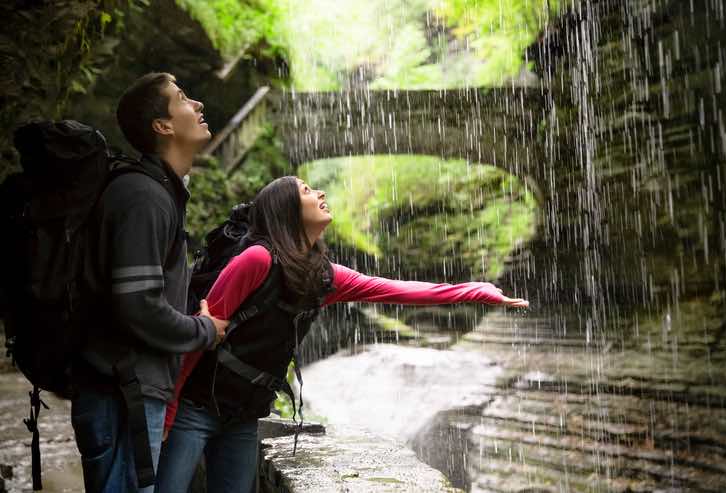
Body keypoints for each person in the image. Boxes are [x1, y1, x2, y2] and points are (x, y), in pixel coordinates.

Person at [155, 175, 528, 492]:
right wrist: (169, 414)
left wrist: (477, 291)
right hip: (196, 407)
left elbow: (397, 290)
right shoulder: (255, 259)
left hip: (244, 415)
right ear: (285, 211)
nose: (319, 194)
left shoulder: (323, 275)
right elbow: (199, 339)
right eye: (305, 190)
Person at [70, 72, 229, 492]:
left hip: (128, 391)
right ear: (162, 126)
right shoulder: (143, 197)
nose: (196, 105)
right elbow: (137, 304)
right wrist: (203, 331)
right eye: (182, 98)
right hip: (120, 393)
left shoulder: (157, 192)